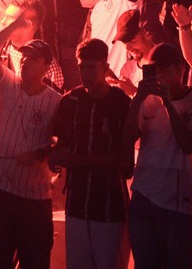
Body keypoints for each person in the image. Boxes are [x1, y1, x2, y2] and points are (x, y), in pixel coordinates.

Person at [0, 6, 61, 269]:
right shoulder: (7, 84)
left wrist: (38, 155)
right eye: (24, 58)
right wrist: (12, 27)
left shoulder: (57, 102)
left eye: (33, 59)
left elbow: (62, 146)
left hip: (33, 198)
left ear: (47, 67)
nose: (25, 62)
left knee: (34, 263)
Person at [123, 43, 192, 269]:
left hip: (178, 199)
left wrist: (168, 104)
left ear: (180, 70)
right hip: (144, 193)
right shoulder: (145, 101)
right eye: (155, 71)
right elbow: (126, 140)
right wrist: (137, 99)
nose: (160, 77)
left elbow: (187, 145)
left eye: (165, 71)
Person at [51, 38, 133, 269]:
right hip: (76, 201)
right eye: (81, 68)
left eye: (91, 68)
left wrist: (77, 160)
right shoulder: (70, 101)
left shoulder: (121, 103)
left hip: (109, 202)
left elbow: (122, 157)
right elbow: (62, 143)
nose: (85, 74)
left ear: (106, 68)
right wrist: (56, 157)